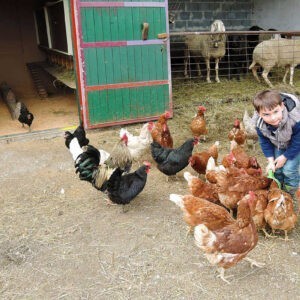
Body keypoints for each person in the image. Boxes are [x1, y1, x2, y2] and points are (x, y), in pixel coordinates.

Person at [252, 90, 300, 212]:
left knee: (289, 169)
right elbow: (265, 142)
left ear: (282, 106)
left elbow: (297, 141)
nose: (273, 118)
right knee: (276, 168)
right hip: (278, 144)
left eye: (276, 112)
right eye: (266, 114)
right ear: (259, 114)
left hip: (295, 145)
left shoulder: (294, 120)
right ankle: (279, 189)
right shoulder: (259, 124)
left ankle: (291, 190)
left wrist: (285, 157)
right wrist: (270, 161)